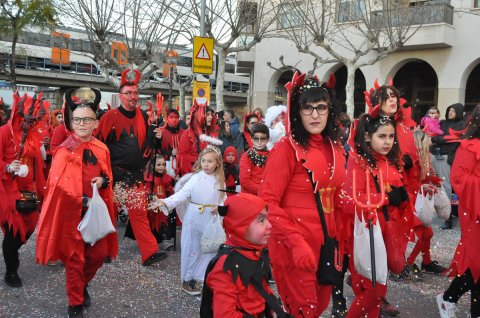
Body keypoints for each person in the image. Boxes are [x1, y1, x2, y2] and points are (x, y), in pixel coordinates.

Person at [259, 72, 346, 317]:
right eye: (307, 108)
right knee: (303, 310)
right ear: (297, 111)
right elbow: (267, 201)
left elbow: (340, 197)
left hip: (328, 245)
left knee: (317, 308)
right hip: (293, 245)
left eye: (321, 107)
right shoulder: (286, 149)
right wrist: (295, 242)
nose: (315, 114)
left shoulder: (335, 147)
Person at [36, 87, 118, 318]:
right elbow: (55, 185)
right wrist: (77, 198)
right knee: (75, 259)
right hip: (72, 214)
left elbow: (107, 177)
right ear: (71, 122)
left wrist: (103, 180)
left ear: (95, 123)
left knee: (98, 255)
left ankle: (82, 285)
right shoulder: (64, 151)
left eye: (87, 119)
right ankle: (75, 304)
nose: (81, 123)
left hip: (95, 212)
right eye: (77, 119)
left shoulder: (102, 149)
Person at [343, 114, 412, 318]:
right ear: (367, 137)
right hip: (367, 233)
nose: (387, 141)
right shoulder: (359, 162)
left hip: (386, 230)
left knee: (376, 293)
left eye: (391, 136)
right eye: (382, 136)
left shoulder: (390, 161)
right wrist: (387, 198)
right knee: (374, 290)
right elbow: (349, 199)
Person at [96, 68, 166, 266]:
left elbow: (148, 146)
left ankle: (149, 252)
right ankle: (105, 251)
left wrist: (157, 138)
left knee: (139, 214)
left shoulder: (143, 116)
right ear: (120, 96)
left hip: (135, 177)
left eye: (135, 93)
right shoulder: (109, 117)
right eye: (128, 93)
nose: (133, 97)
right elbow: (98, 145)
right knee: (109, 215)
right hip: (115, 176)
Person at [149, 146, 226, 296]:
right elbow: (182, 194)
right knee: (193, 248)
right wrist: (165, 202)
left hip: (210, 219)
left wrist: (220, 208)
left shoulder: (220, 181)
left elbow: (224, 199)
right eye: (203, 160)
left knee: (209, 249)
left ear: (217, 163)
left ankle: (201, 278)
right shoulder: (195, 178)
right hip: (194, 217)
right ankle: (188, 279)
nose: (206, 164)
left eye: (210, 161)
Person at [201, 193, 290, 318]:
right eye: (262, 220)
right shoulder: (226, 267)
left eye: (267, 219)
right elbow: (224, 314)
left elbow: (262, 289)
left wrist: (273, 308)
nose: (270, 225)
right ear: (239, 226)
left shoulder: (255, 252)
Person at [436, 105, 480, 318]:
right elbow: (459, 179)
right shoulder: (470, 147)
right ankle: (449, 300)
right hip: (475, 214)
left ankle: (448, 299)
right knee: (477, 263)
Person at [1, 93, 47, 288]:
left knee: (28, 227)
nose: (29, 122)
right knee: (13, 231)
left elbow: (39, 164)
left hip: (29, 189)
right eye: (26, 118)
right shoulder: (4, 132)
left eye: (33, 119)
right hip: (7, 188)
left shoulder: (35, 135)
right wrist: (8, 167)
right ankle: (12, 270)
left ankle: (13, 252)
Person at [405, 130, 447, 275]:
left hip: (419, 199)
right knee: (426, 234)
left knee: (426, 234)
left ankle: (426, 262)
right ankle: (411, 262)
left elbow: (422, 179)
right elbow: (406, 182)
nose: (431, 141)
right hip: (413, 201)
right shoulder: (411, 159)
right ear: (422, 141)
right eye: (429, 139)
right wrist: (422, 186)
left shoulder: (424, 157)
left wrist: (432, 180)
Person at [430, 103, 465, 230]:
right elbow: (433, 133)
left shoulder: (461, 125)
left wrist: (438, 140)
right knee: (440, 186)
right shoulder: (443, 123)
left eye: (453, 111)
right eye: (449, 110)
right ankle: (448, 214)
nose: (450, 112)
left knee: (447, 187)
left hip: (448, 158)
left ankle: (448, 217)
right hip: (436, 156)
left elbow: (451, 140)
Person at [178, 101, 221, 175]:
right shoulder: (187, 134)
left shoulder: (210, 133)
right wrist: (201, 160)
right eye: (207, 114)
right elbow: (182, 156)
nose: (211, 117)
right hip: (193, 174)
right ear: (199, 116)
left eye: (211, 114)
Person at [144, 155, 176, 250]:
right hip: (153, 204)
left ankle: (165, 241)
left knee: (165, 221)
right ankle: (152, 240)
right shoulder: (149, 177)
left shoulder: (167, 177)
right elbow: (146, 191)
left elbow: (170, 190)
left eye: (163, 164)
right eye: (159, 165)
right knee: (153, 223)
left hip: (164, 203)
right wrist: (150, 196)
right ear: (152, 166)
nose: (162, 167)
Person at [239, 123, 270, 195]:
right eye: (256, 139)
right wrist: (263, 190)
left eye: (262, 139)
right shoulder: (246, 156)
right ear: (251, 139)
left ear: (268, 139)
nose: (259, 142)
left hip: (268, 194)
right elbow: (245, 181)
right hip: (250, 196)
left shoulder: (272, 155)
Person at [158, 108, 185, 176]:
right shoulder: (161, 132)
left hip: (181, 166)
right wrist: (170, 153)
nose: (174, 119)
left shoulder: (183, 133)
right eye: (171, 117)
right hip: (165, 166)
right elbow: (158, 151)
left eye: (176, 117)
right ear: (167, 118)